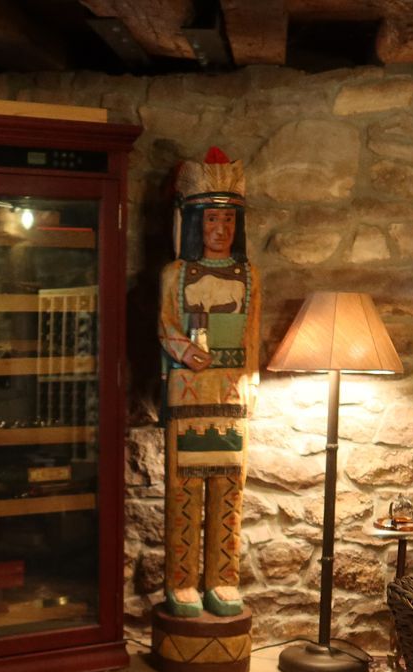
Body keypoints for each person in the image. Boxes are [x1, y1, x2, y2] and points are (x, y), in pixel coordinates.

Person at [158, 148, 260, 619]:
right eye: (213, 220)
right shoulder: (175, 274)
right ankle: (181, 582)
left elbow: (253, 334)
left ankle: (223, 578)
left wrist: (250, 386)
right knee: (184, 490)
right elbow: (163, 326)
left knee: (228, 490)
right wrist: (182, 349)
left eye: (229, 220)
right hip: (187, 394)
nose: (221, 230)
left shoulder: (248, 275)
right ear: (196, 222)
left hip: (230, 396)